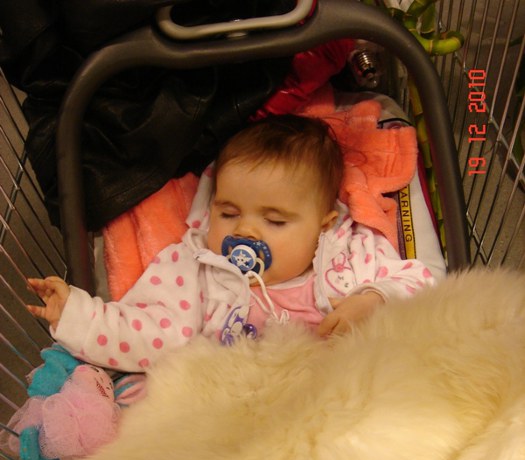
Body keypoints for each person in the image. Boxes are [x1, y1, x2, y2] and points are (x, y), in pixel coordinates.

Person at [27, 114, 435, 372]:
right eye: (229, 212)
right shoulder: (196, 266)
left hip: (333, 391)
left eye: (274, 220)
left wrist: (373, 299)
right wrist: (78, 316)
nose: (246, 231)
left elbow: (422, 282)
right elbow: (151, 334)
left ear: (323, 224)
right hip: (236, 404)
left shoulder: (349, 255)